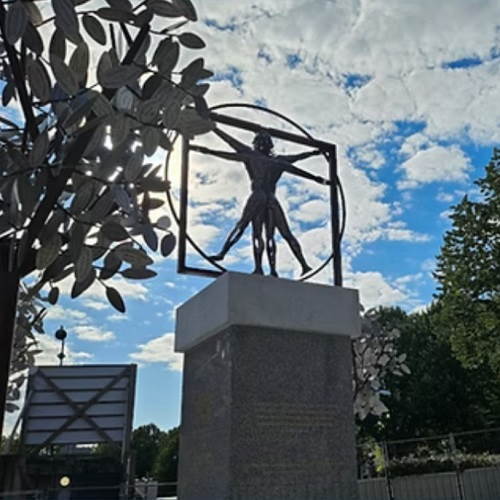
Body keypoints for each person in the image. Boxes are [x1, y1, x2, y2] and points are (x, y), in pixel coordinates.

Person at [191, 127, 328, 276]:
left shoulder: (252, 156)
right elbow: (298, 161)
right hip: (271, 198)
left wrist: (210, 138)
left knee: (248, 228)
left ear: (256, 144)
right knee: (279, 234)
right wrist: (317, 171)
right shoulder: (279, 161)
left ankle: (229, 255)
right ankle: (297, 265)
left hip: (258, 196)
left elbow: (230, 144)